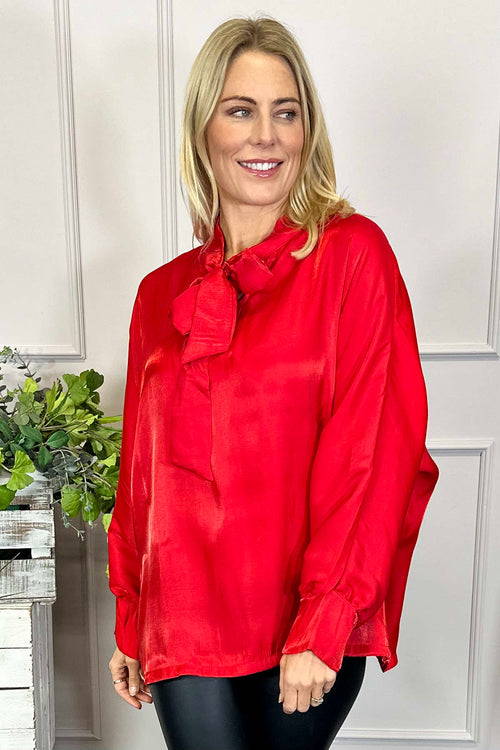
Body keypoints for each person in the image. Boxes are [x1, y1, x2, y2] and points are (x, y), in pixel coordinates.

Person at [107, 14, 440, 750]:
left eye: (285, 113)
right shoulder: (158, 295)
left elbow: (373, 453)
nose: (266, 136)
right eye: (241, 110)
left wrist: (325, 617)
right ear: (203, 129)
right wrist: (131, 617)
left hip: (302, 618)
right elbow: (142, 481)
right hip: (183, 618)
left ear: (306, 131)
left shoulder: (354, 256)